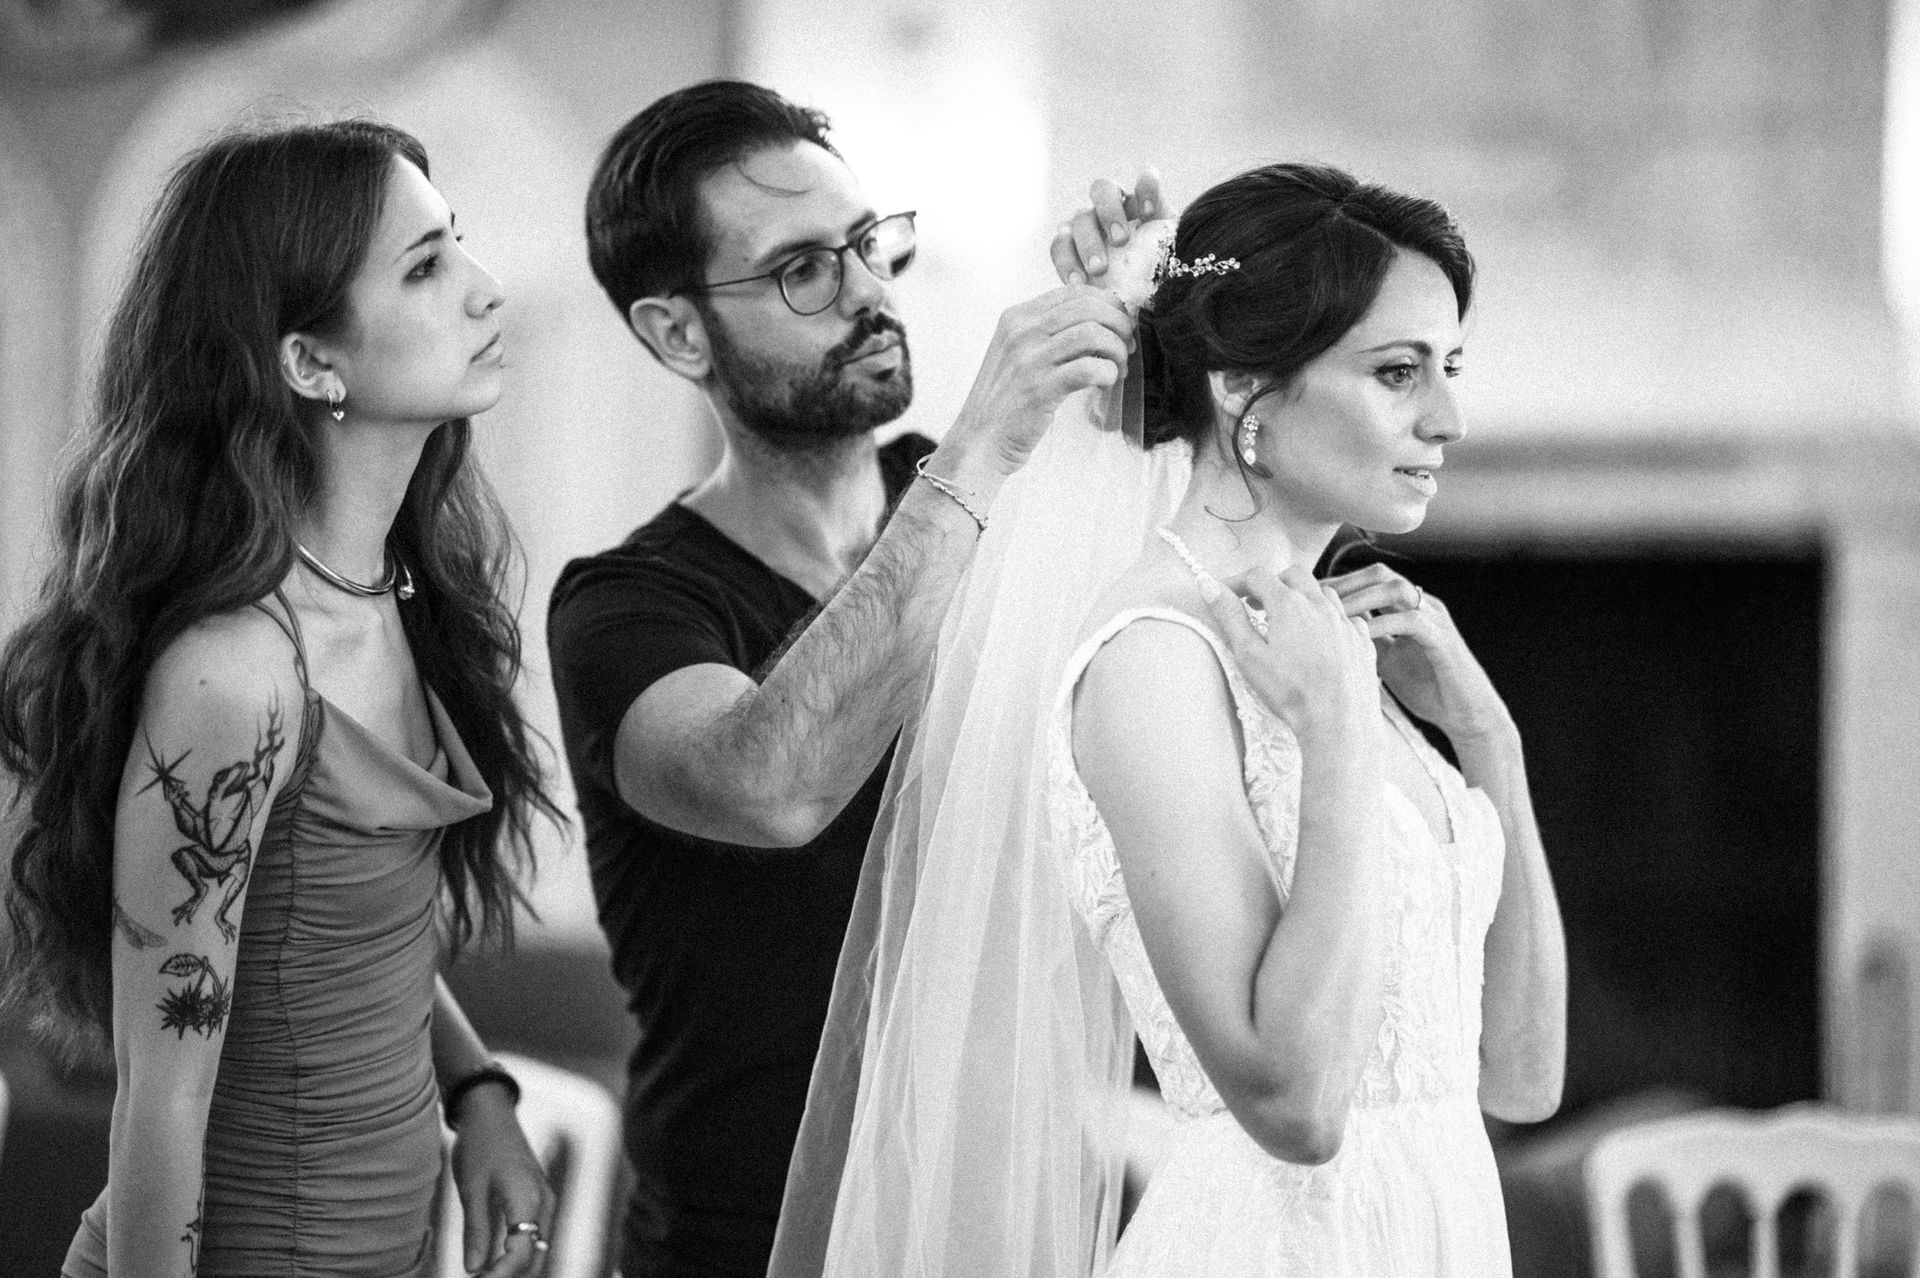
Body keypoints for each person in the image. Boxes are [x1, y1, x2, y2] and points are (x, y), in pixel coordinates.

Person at [778, 163, 1567, 1276]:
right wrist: (1340, 739)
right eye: (1398, 373)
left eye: (1450, 368)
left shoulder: (1329, 647)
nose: (1449, 418)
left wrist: (1491, 742)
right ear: (1245, 393)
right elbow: (1295, 1108)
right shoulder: (1153, 659)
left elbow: (1522, 1080)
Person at [546, 80, 1137, 1278]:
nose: (871, 292)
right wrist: (982, 444)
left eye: (867, 243)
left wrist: (1148, 348)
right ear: (678, 334)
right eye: (804, 270)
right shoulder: (623, 608)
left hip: (1000, 1226)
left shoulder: (999, 506)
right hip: (750, 1247)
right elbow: (775, 784)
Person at [0, 119, 558, 1277]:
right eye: (425, 267)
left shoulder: (394, 587)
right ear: (310, 363)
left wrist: (480, 1093)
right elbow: (161, 1102)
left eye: (456, 243)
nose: (485, 287)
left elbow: (339, 936)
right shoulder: (237, 673)